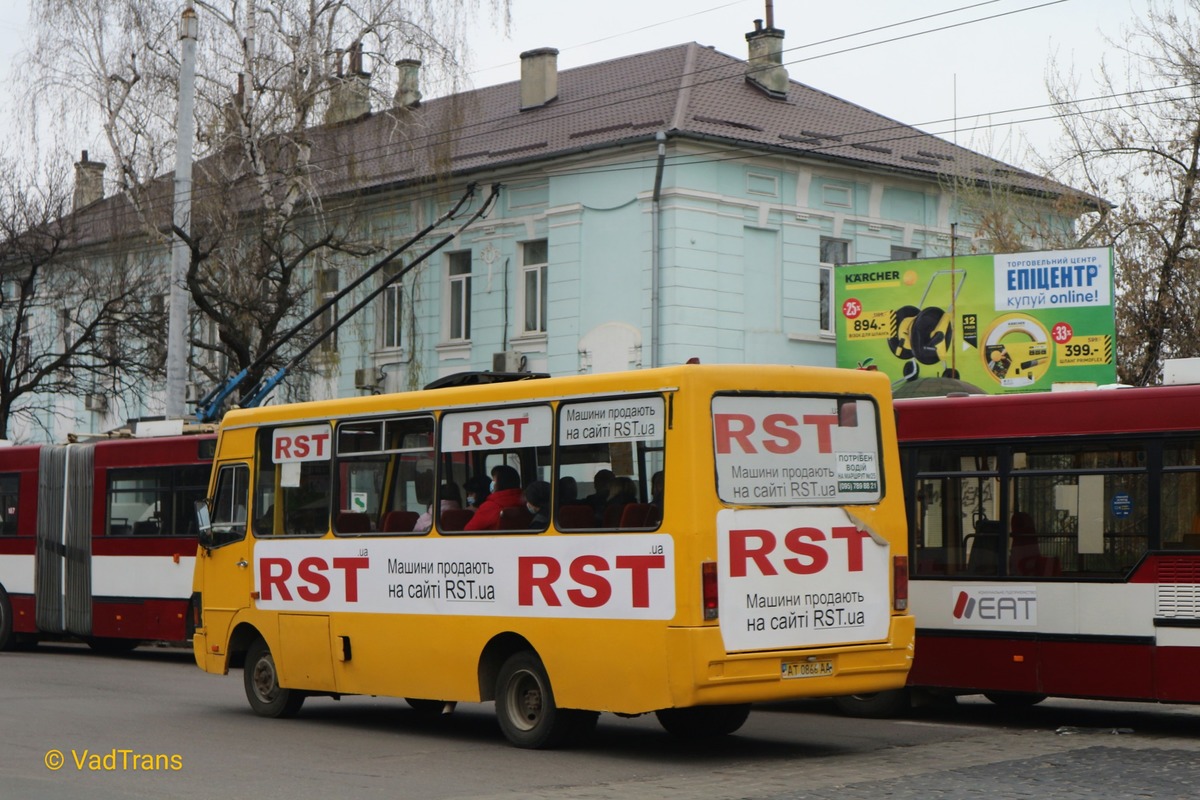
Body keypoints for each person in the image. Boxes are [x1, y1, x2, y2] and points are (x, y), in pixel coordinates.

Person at [465, 465, 523, 530]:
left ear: (501, 484)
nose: (491, 484)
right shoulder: (525, 503)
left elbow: (468, 531)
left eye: (493, 481)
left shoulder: (489, 507)